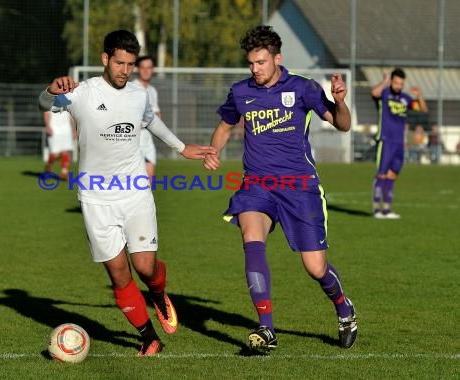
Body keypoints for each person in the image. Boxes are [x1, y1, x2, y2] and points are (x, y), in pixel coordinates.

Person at [38, 30, 215, 356]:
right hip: (95, 199)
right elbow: (45, 104)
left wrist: (181, 147)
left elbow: (150, 122)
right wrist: (49, 90)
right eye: (119, 62)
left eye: (130, 64)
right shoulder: (82, 93)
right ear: (105, 59)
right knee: (119, 274)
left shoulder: (137, 94)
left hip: (134, 193)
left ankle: (158, 293)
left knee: (146, 267)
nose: (125, 70)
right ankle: (149, 337)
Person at [203, 25, 357, 352]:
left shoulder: (303, 88)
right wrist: (213, 149)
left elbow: (342, 124)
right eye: (251, 63)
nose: (255, 69)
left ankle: (344, 307)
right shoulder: (241, 92)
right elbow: (225, 124)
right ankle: (267, 328)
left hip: (300, 187)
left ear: (277, 58)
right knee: (251, 239)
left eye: (261, 62)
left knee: (316, 268)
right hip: (257, 185)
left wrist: (340, 102)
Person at [370, 68, 428, 219]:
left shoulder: (405, 98)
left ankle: (387, 210)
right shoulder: (384, 94)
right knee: (381, 175)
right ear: (391, 81)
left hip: (399, 143)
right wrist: (385, 81)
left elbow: (423, 109)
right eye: (395, 83)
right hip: (385, 140)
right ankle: (377, 210)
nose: (398, 86)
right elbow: (374, 93)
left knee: (392, 175)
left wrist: (420, 95)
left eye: (401, 84)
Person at [132, 56, 161, 182]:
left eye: (149, 68)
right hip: (132, 140)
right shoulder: (131, 88)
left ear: (153, 70)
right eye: (143, 68)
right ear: (137, 69)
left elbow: (156, 113)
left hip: (147, 141)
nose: (146, 71)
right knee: (130, 184)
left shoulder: (152, 90)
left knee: (148, 181)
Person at [43, 109, 76, 180]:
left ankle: (64, 173)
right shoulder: (50, 100)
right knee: (55, 154)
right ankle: (48, 166)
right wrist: (48, 126)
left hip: (66, 130)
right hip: (54, 130)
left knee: (65, 152)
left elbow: (71, 117)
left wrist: (73, 130)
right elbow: (46, 113)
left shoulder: (69, 101)